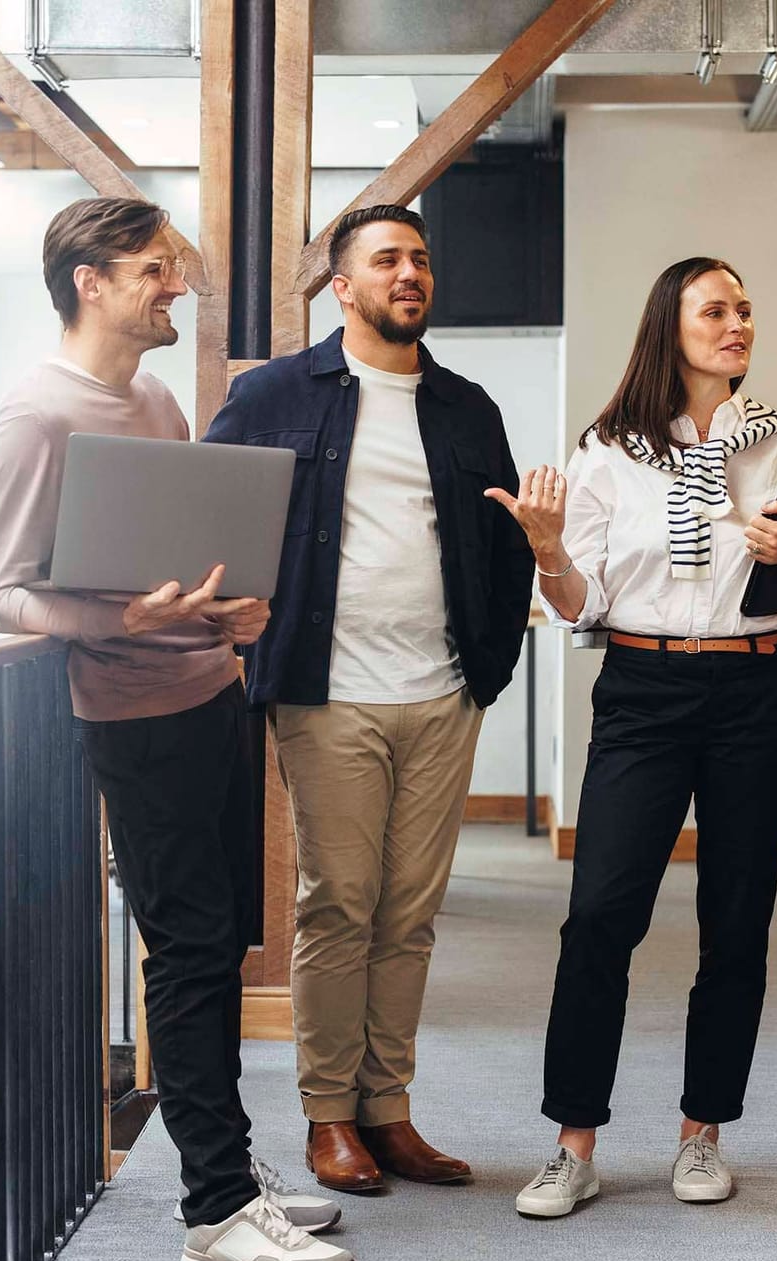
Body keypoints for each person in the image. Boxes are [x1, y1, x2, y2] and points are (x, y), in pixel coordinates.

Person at [0, 196, 352, 1261]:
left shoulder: (150, 402)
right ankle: (215, 1214)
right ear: (88, 281)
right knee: (185, 954)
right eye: (152, 270)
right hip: (129, 717)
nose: (173, 288)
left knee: (214, 946)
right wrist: (119, 623)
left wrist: (224, 617)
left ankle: (227, 1170)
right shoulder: (34, 416)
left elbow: (186, 563)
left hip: (206, 694)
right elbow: (0, 593)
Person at [497, 256, 777, 1219]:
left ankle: (704, 1134)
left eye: (745, 308)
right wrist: (545, 550)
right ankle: (573, 1143)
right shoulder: (609, 449)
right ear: (673, 324)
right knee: (600, 915)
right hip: (644, 688)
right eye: (716, 309)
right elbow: (586, 602)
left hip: (760, 690)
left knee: (737, 920)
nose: (737, 323)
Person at [204, 205, 535, 1193]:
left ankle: (388, 1110)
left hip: (440, 693)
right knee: (338, 904)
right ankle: (327, 1117)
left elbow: (507, 540)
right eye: (385, 258)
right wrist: (227, 615)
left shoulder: (466, 407)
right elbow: (204, 513)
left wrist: (486, 666)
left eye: (421, 259)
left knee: (411, 912)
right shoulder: (271, 396)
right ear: (339, 287)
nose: (408, 272)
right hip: (328, 691)